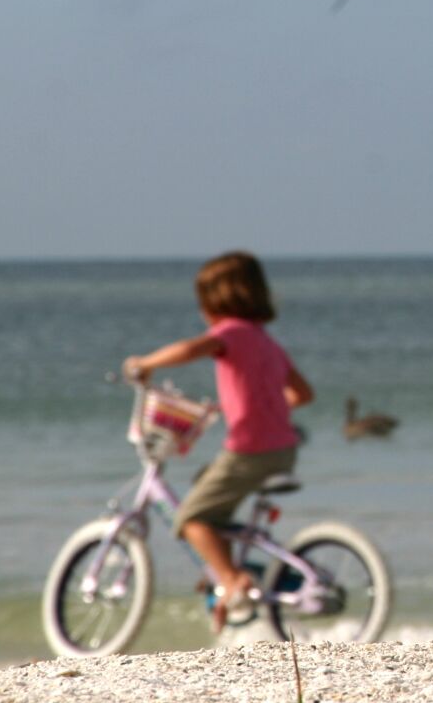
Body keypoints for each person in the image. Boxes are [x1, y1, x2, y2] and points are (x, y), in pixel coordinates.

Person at [122, 251, 314, 631]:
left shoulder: (228, 334)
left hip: (249, 451)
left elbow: (189, 349)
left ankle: (231, 579)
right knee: (207, 491)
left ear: (216, 301)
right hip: (283, 449)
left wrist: (145, 364)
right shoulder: (268, 342)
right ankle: (226, 575)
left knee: (191, 518)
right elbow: (303, 394)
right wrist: (265, 408)